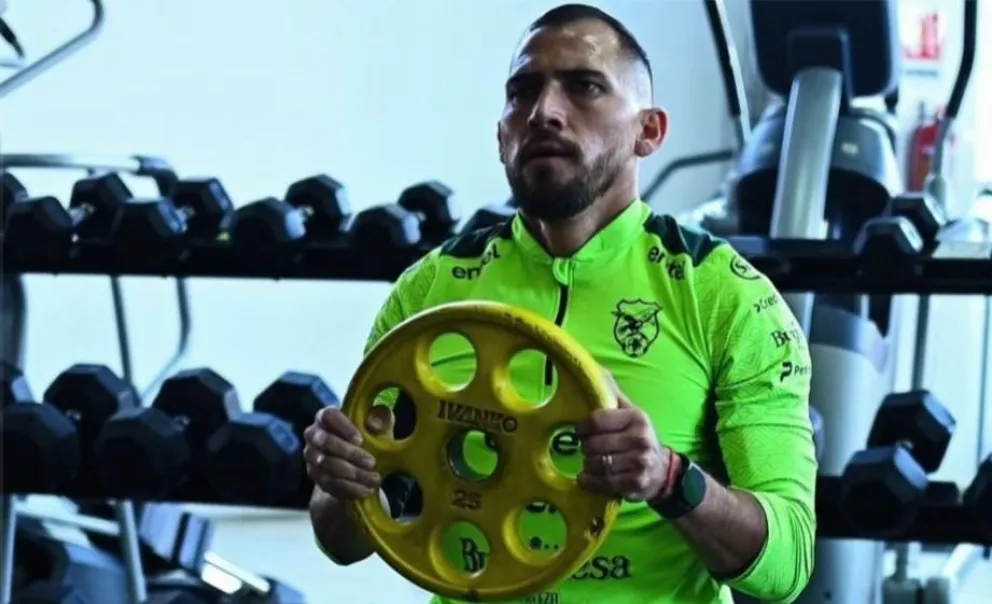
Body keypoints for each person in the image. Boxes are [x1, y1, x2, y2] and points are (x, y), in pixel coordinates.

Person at [304, 4, 817, 603]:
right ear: (502, 136)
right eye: (522, 93)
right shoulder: (432, 288)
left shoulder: (725, 296)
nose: (544, 111)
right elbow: (342, 540)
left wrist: (669, 478)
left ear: (648, 131)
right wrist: (339, 482)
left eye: (585, 86)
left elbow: (786, 564)